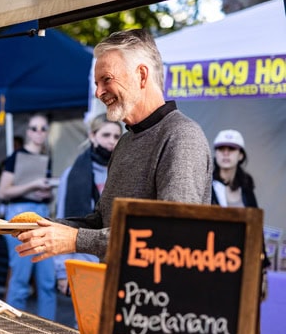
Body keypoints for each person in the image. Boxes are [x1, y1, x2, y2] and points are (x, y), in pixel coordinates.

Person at [13, 29, 212, 264]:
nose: (98, 92)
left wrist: (75, 239)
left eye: (106, 79)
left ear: (141, 75)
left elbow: (171, 234)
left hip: (159, 297)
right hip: (119, 291)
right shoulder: (126, 141)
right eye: (97, 83)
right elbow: (102, 220)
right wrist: (47, 227)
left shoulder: (181, 135)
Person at [53, 113, 122, 293]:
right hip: (85, 258)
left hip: (118, 256)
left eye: (116, 136)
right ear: (92, 136)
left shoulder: (124, 172)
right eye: (106, 135)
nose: (111, 141)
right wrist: (62, 270)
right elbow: (64, 219)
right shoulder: (73, 174)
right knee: (86, 319)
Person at [0, 112, 56, 320]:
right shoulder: (15, 157)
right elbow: (3, 192)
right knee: (21, 278)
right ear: (27, 132)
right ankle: (13, 328)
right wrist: (33, 185)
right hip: (20, 215)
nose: (38, 133)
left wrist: (45, 192)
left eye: (42, 128)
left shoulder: (46, 158)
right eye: (34, 128)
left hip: (41, 214)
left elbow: (40, 192)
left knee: (47, 279)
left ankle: (49, 328)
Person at [211, 129, 270, 274]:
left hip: (243, 261)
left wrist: (263, 267)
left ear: (241, 155)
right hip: (213, 259)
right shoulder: (206, 184)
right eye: (221, 148)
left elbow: (256, 226)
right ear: (215, 153)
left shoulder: (246, 188)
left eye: (231, 148)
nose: (225, 153)